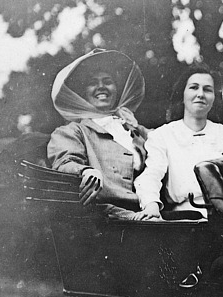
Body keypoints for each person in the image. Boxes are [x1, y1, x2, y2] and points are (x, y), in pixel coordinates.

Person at [134, 64, 223, 219]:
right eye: (194, 87)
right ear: (183, 94)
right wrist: (151, 205)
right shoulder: (163, 135)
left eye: (207, 89)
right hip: (183, 218)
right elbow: (151, 175)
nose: (200, 94)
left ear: (214, 98)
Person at [48, 48, 149, 220]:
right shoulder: (73, 131)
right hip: (103, 218)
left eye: (107, 81)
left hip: (147, 213)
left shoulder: (135, 130)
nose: (101, 86)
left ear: (116, 88)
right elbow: (64, 163)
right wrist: (85, 171)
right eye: (93, 82)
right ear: (84, 92)